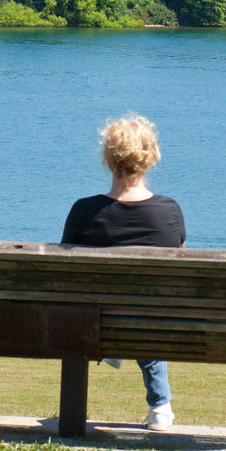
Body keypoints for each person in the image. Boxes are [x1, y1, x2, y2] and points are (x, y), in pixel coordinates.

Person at [61, 114, 185, 432]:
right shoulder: (169, 212)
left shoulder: (83, 212)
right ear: (150, 159)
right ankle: (160, 406)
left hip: (93, 324)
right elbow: (178, 274)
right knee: (146, 308)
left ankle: (79, 399)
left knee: (117, 309)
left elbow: (64, 276)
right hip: (151, 325)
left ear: (108, 159)